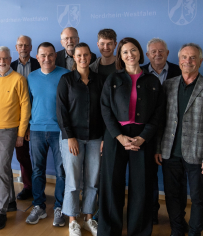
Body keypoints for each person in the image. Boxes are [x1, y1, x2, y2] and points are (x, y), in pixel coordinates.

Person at [156, 43, 203, 236]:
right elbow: (161, 121)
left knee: (198, 198)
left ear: (200, 61)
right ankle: (177, 229)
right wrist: (158, 147)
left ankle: (195, 232)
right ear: (179, 61)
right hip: (170, 152)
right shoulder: (168, 85)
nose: (188, 61)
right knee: (172, 196)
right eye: (184, 57)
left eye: (193, 58)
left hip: (199, 154)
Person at [98, 37, 164, 236]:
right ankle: (109, 231)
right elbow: (105, 110)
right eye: (125, 52)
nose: (130, 55)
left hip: (143, 138)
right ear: (120, 56)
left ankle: (139, 231)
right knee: (111, 186)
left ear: (139, 53)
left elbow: (158, 114)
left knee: (142, 188)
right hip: (116, 137)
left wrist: (143, 137)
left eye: (133, 50)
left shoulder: (152, 81)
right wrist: (119, 136)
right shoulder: (113, 79)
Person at [57, 43, 104, 236]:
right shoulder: (66, 80)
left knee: (92, 181)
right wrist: (70, 137)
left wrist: (104, 138)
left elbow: (105, 111)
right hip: (72, 139)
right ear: (74, 58)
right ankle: (72, 220)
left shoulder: (101, 80)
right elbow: (61, 111)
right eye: (79, 55)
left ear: (91, 57)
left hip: (95, 138)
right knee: (74, 181)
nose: (83, 58)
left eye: (86, 55)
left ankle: (88, 218)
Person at [0, 46, 31, 230]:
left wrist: (21, 133)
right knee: (0, 167)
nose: (2, 62)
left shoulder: (19, 79)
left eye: (5, 58)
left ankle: (2, 211)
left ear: (10, 59)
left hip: (9, 130)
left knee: (3, 170)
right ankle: (10, 201)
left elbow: (25, 107)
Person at [26, 42, 68, 226]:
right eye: (43, 55)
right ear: (37, 57)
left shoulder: (65, 75)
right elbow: (27, 104)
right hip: (36, 130)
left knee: (61, 172)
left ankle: (59, 207)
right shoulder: (31, 77)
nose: (47, 59)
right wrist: (26, 127)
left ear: (55, 56)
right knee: (37, 171)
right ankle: (39, 207)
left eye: (50, 55)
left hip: (60, 131)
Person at [141, 38, 181, 225]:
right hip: (145, 132)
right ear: (147, 55)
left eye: (161, 51)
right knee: (148, 178)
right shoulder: (139, 72)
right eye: (153, 51)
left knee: (173, 181)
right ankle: (151, 214)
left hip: (172, 132)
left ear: (167, 53)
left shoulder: (179, 71)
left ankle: (177, 220)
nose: (158, 54)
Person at [10, 35, 40, 200]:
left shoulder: (39, 64)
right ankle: (28, 186)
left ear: (31, 47)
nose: (23, 48)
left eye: (26, 45)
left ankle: (38, 187)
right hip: (16, 118)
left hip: (36, 117)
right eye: (20, 45)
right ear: (16, 48)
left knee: (37, 156)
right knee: (21, 155)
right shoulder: (10, 66)